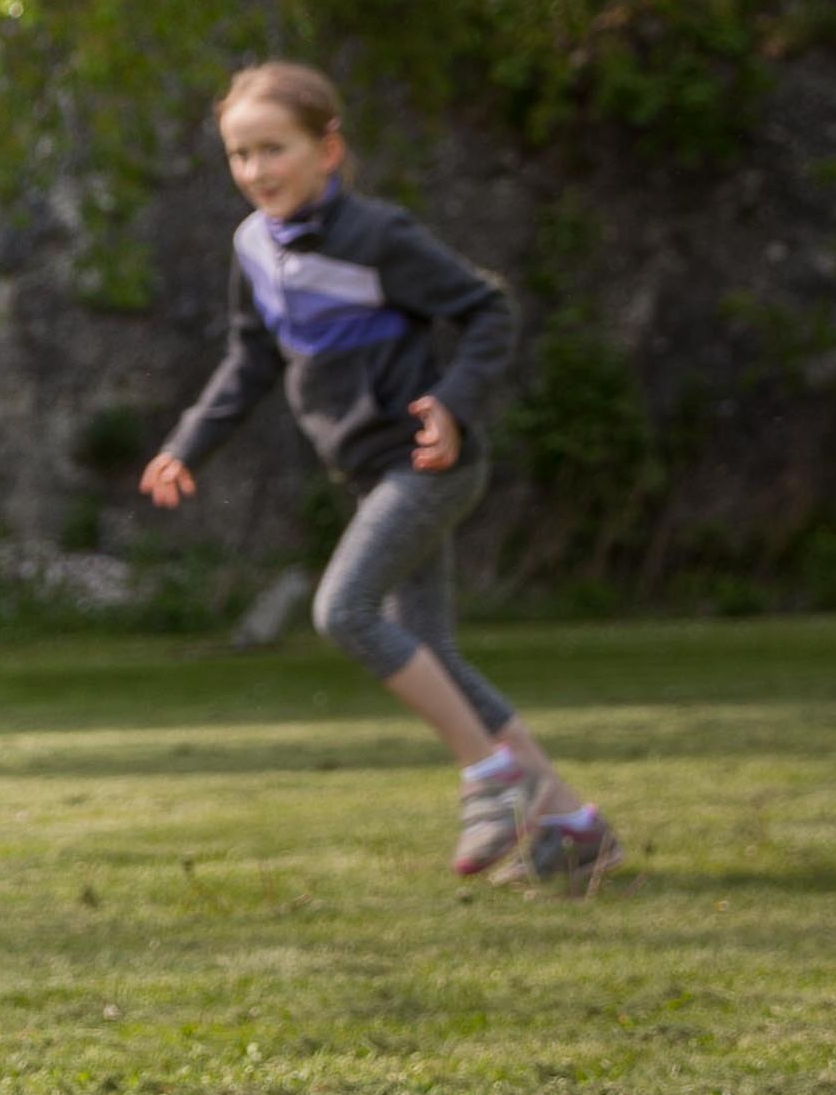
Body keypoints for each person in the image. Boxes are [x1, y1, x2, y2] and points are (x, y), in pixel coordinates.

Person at [142, 61, 617, 890]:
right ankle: (574, 828)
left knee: (345, 610)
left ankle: (490, 778)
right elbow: (250, 360)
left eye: (273, 149)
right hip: (369, 475)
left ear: (329, 149)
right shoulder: (252, 248)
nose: (255, 171)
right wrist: (189, 443)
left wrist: (455, 404)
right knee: (431, 654)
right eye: (239, 154)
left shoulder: (379, 236)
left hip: (430, 464)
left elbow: (487, 308)